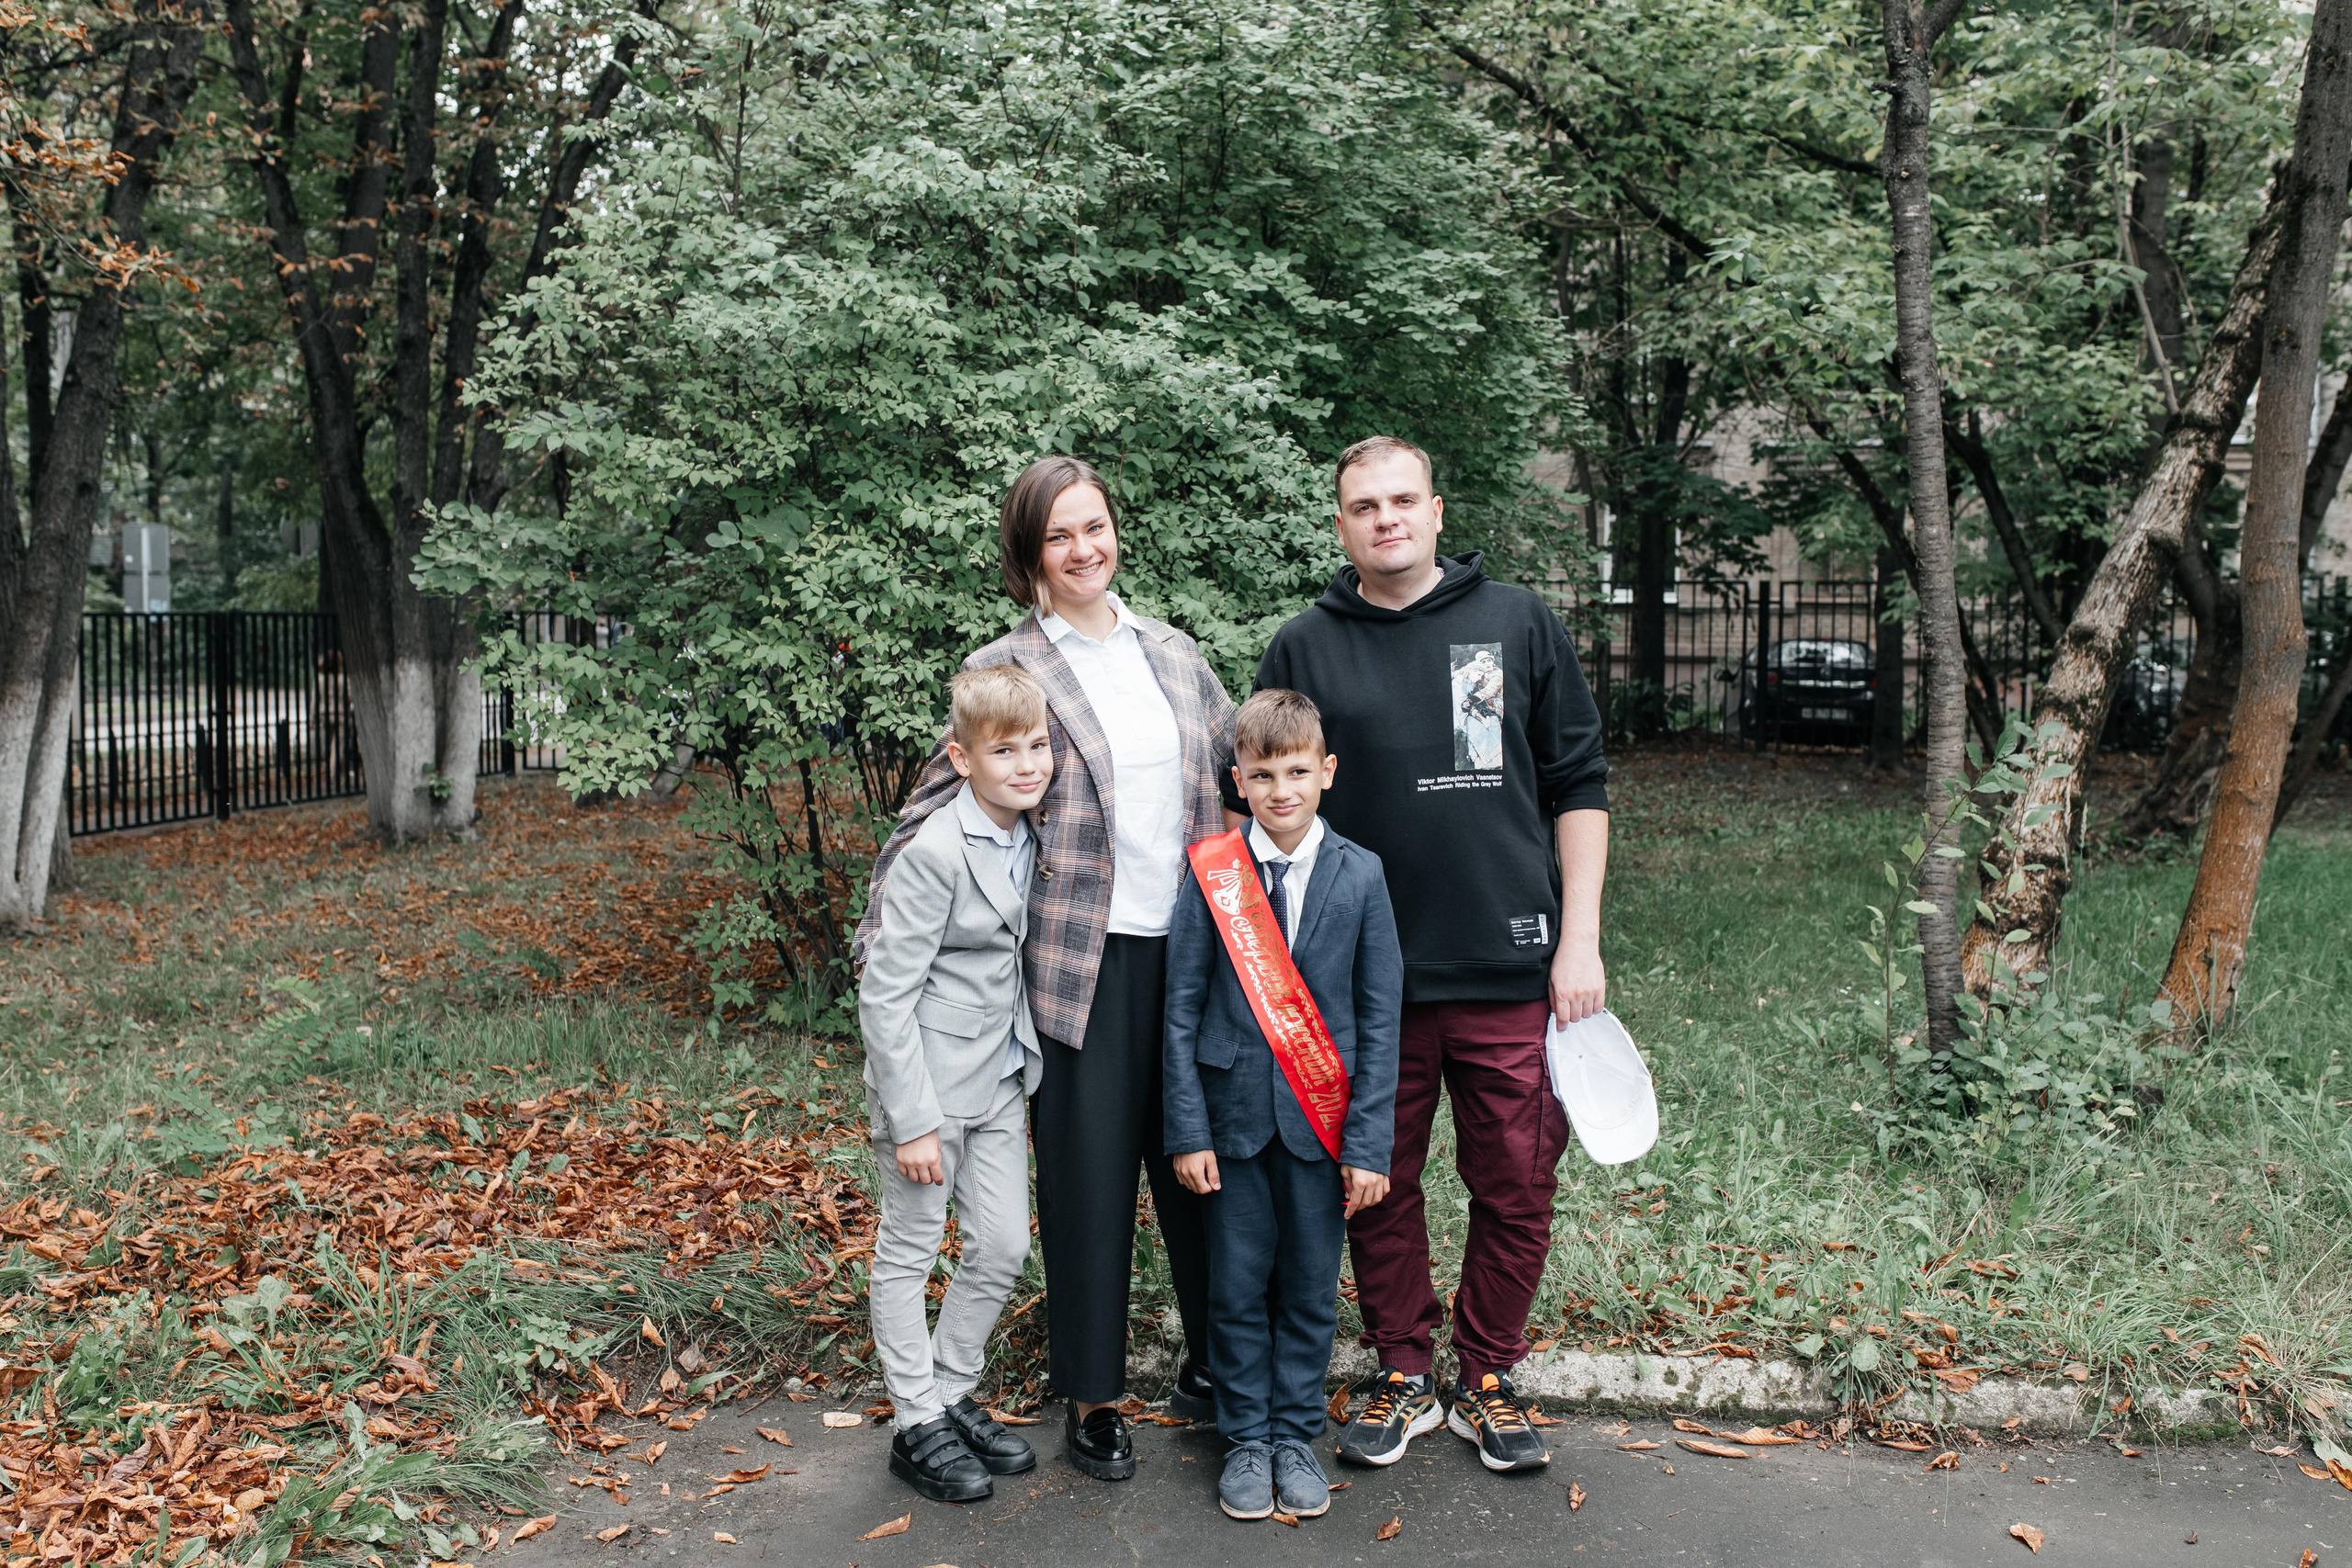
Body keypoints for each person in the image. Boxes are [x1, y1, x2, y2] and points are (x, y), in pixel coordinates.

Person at [1234, 435, 1610, 1475]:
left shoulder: (1515, 623)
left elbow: (1579, 784)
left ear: (1437, 511)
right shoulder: (1303, 646)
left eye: (1402, 500)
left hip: (1509, 967)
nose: (1385, 517)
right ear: (1341, 522)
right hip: (1364, 983)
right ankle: (1403, 1369)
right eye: (1364, 505)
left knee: (1517, 1181)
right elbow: (1268, 806)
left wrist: (1577, 940)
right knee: (1375, 1183)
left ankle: (1487, 1372)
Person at [856, 456, 1237, 1482]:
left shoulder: (1174, 653)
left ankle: (1216, 1369)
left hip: (1193, 947)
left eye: (1096, 527)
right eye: (1059, 535)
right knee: (1088, 1183)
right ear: (1028, 556)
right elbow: (932, 811)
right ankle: (1097, 1396)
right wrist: (884, 942)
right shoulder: (1008, 667)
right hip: (1079, 965)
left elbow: (1234, 778)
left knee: (1196, 1169)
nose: (1084, 550)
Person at [1164, 689, 1401, 1521]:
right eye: (1262, 773)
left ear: (1326, 772)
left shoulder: (1363, 874)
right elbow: (1181, 1007)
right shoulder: (1212, 871)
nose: (1281, 789)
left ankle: (1296, 1432)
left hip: (1322, 1127)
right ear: (1238, 778)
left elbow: (1380, 1018)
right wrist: (1187, 1128)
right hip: (1229, 1127)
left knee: (1306, 1288)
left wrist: (1370, 1143)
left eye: (1298, 770)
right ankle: (1246, 1439)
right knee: (1233, 1288)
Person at [856, 665, 1054, 1502]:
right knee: (909, 1250)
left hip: (1002, 1073)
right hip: (927, 1090)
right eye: (1004, 749)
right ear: (961, 757)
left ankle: (949, 1387)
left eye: (1038, 745)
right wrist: (912, 1121)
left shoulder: (1032, 834)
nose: (1026, 763)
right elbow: (885, 991)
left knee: (1005, 1241)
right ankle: (914, 1418)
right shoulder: (934, 849)